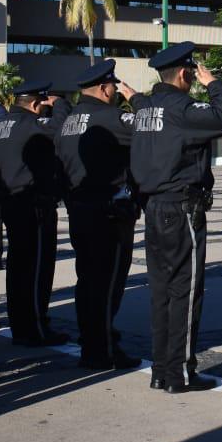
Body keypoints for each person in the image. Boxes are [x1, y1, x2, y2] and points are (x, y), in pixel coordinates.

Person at [130, 42, 222, 393]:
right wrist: (215, 84)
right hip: (181, 211)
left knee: (160, 293)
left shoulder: (147, 109)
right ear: (183, 73)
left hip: (154, 208)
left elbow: (140, 107)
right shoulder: (181, 108)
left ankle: (161, 369)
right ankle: (180, 373)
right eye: (192, 74)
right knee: (186, 293)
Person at [57, 60, 142, 370]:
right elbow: (151, 131)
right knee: (107, 285)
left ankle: (92, 340)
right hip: (108, 214)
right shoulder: (110, 117)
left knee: (88, 282)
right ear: (106, 88)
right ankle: (101, 349)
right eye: (114, 87)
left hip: (80, 210)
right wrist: (137, 100)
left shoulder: (70, 120)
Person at [0, 81, 69, 348]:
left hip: (11, 202)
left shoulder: (2, 125)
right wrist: (59, 103)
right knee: (35, 270)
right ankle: (34, 328)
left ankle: (21, 325)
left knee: (17, 268)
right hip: (32, 205)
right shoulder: (29, 124)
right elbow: (61, 127)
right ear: (36, 104)